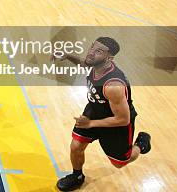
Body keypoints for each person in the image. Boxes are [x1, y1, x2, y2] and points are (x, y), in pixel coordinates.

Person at [55, 37, 151, 191]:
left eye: (98, 51)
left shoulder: (113, 85)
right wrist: (67, 56)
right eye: (92, 47)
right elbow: (84, 64)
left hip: (116, 122)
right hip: (94, 111)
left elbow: (123, 119)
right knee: (76, 146)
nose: (91, 53)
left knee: (119, 163)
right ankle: (77, 175)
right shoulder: (96, 63)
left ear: (109, 58)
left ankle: (141, 143)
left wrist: (91, 124)